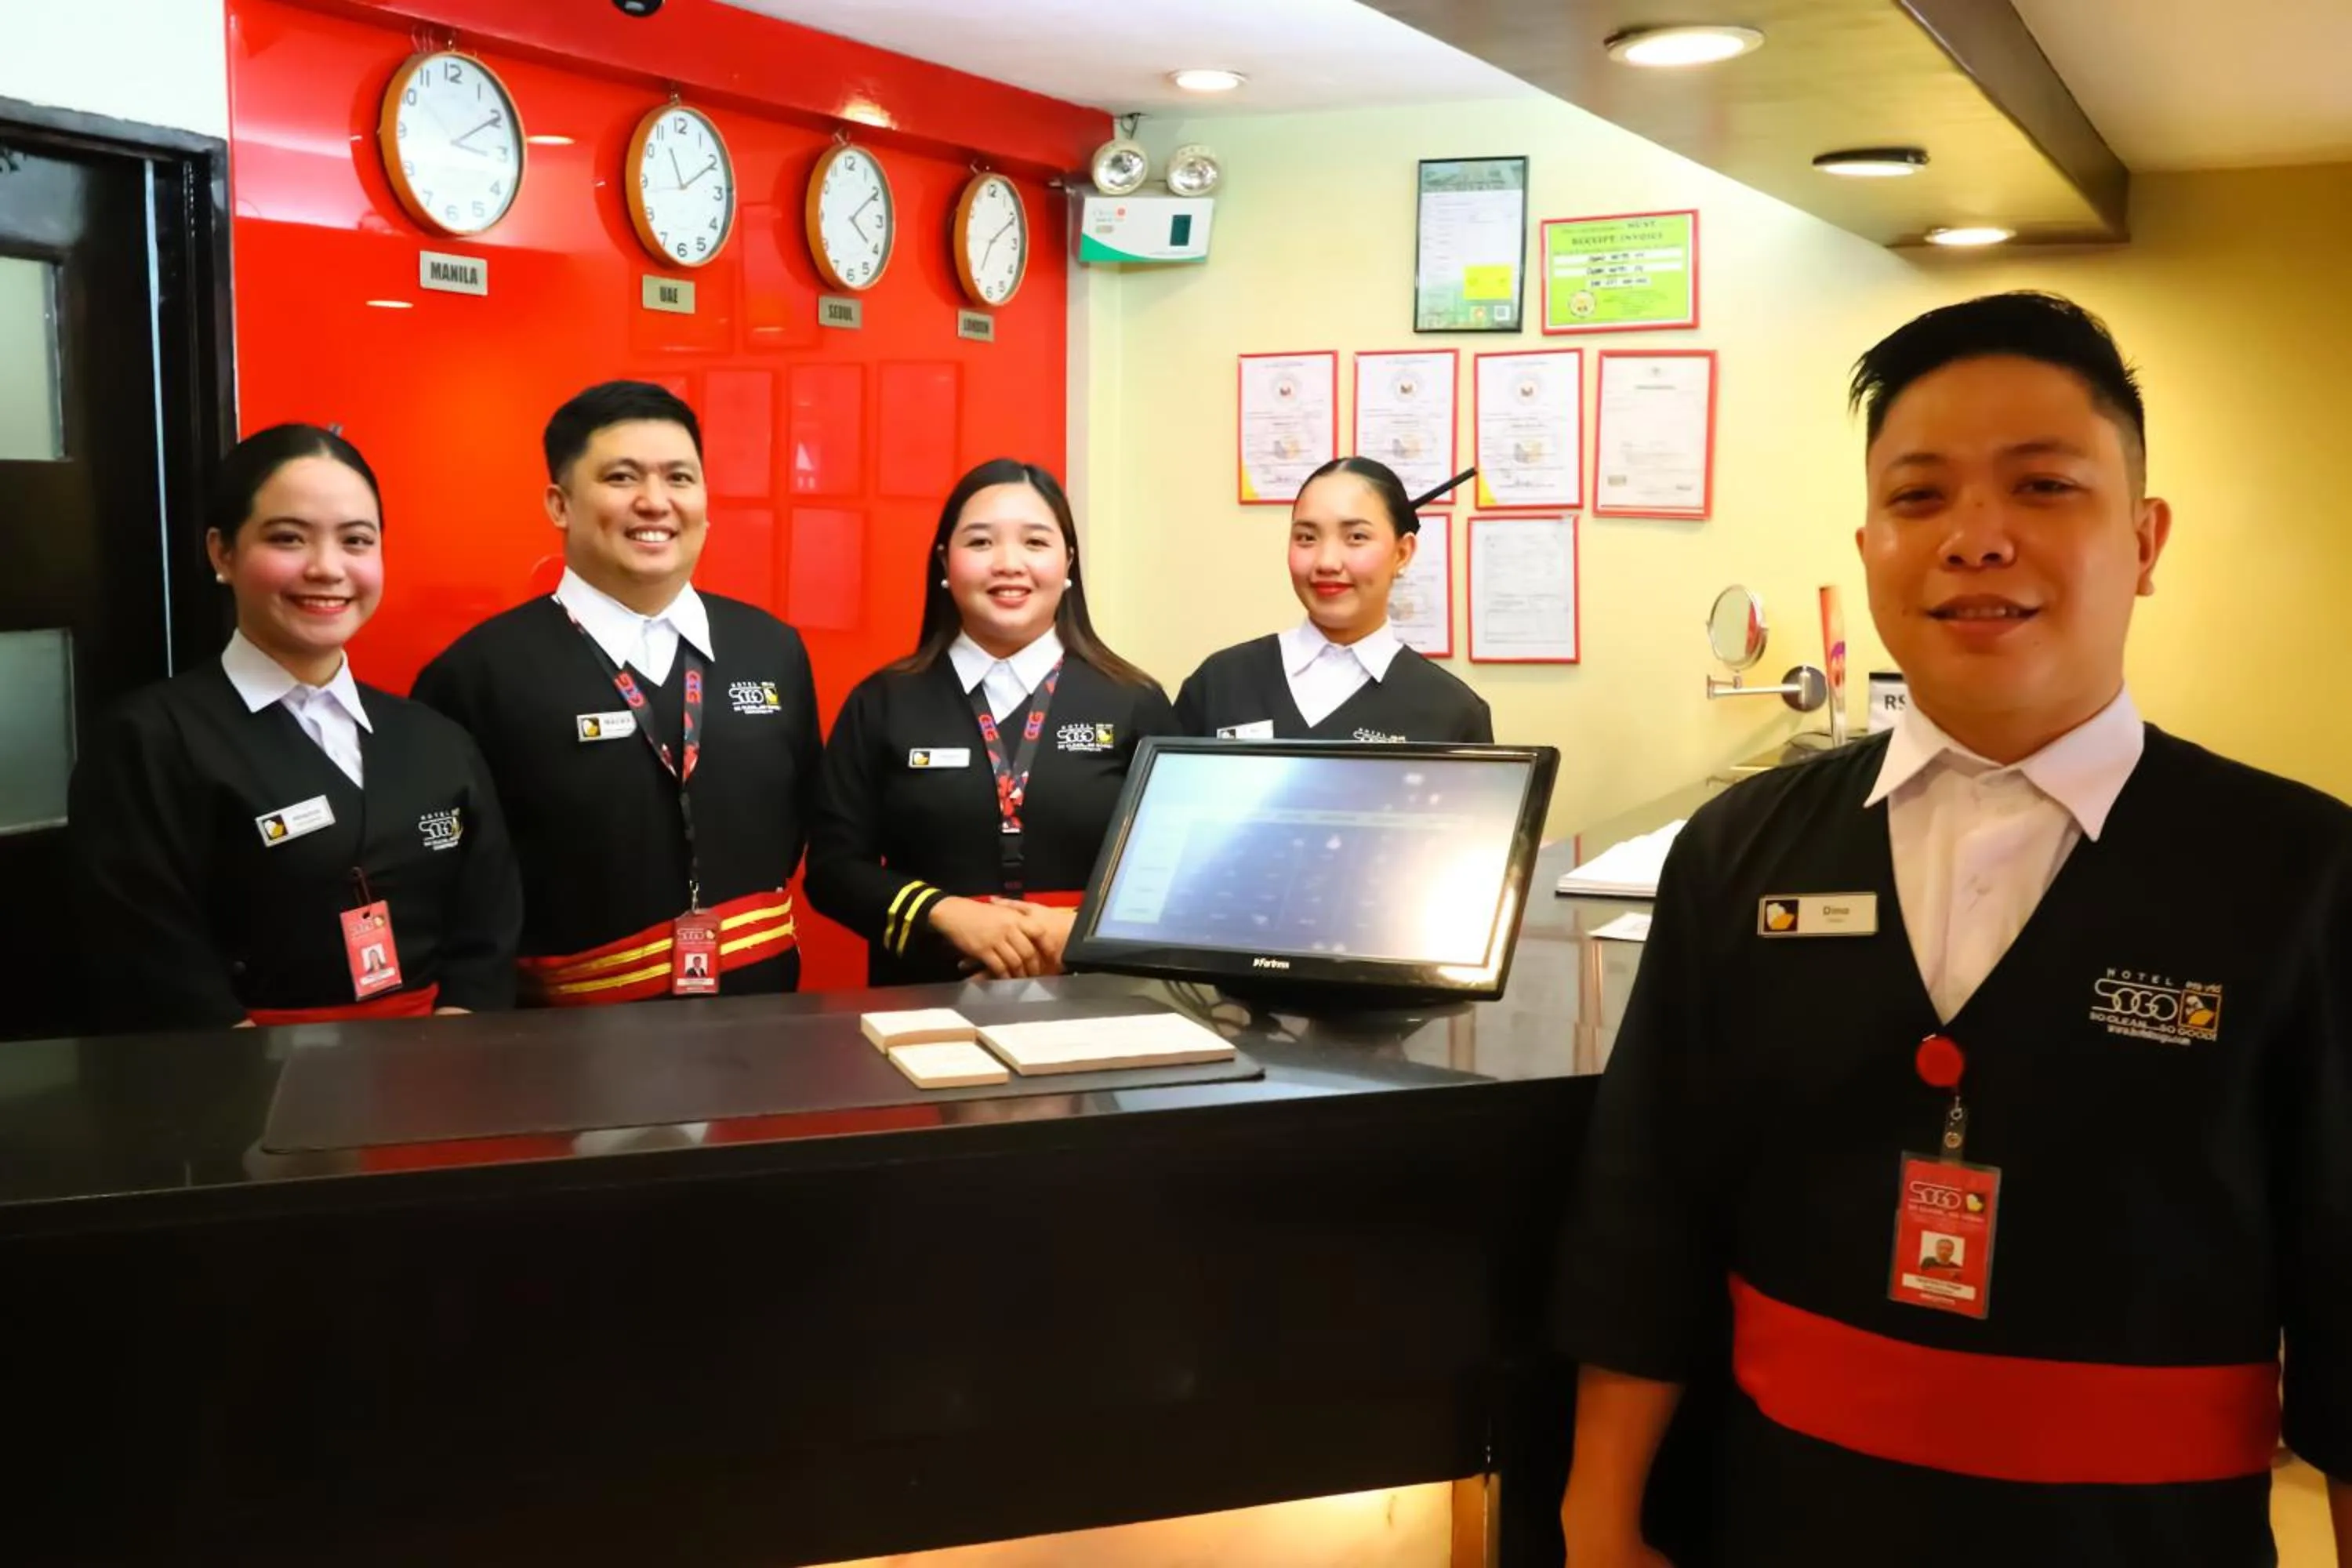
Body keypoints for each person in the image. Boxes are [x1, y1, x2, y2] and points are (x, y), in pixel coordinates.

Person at [1555, 292, 2350, 1567]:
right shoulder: (1742, 852)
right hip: (1782, 1512)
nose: (1976, 539)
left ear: (2144, 540)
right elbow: (1646, 1210)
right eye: (1920, 499)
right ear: (1867, 545)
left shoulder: (2300, 873)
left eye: (2043, 487)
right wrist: (1599, 1517)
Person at [67, 424, 521, 1031]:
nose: (327, 568)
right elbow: (146, 947)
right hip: (242, 1084)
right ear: (221, 553)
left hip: (430, 1075)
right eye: (288, 538)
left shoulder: (436, 738)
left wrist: (449, 1046)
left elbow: (489, 920)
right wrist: (259, 1081)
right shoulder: (148, 740)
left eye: (357, 541)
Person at [412, 382, 818, 1004]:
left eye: (680, 479)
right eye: (622, 478)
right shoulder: (476, 675)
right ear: (559, 504)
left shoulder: (773, 649)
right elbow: (452, 884)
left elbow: (792, 827)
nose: (655, 503)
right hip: (564, 1047)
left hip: (762, 1022)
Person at [806, 459, 1175, 985]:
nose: (1008, 564)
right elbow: (833, 871)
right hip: (923, 1004)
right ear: (944, 562)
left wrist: (1075, 932)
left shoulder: (1133, 701)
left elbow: (1179, 868)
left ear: (1068, 561)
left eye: (1035, 542)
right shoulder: (883, 701)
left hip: (1096, 1000)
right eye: (980, 543)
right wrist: (948, 916)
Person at [1173, 456, 1491, 744]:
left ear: (1402, 553)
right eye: (1307, 538)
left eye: (1356, 537)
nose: (1327, 562)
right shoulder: (1219, 683)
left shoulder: (1452, 712)